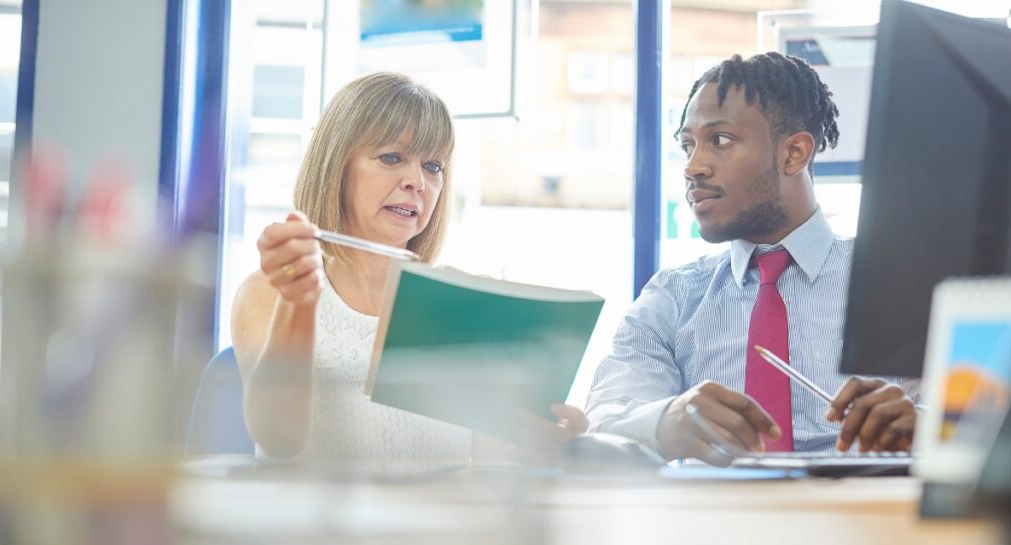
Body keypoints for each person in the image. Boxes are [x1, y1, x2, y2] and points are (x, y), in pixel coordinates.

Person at [231, 72, 584, 468]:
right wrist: (299, 303)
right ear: (336, 166)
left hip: (436, 526)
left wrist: (538, 442)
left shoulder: (463, 303)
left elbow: (488, 462)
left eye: (433, 166)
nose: (416, 182)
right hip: (317, 527)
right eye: (391, 158)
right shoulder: (268, 292)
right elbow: (279, 439)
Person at [586, 53, 918, 459]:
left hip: (867, 517)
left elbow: (983, 416)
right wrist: (666, 419)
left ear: (794, 153)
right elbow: (605, 418)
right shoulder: (672, 299)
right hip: (715, 520)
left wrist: (925, 423)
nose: (693, 167)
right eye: (687, 145)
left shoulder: (896, 281)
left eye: (719, 140)